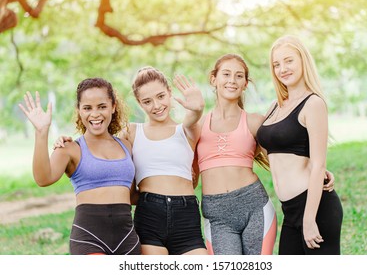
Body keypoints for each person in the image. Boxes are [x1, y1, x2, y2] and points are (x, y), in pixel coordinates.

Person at [54, 68, 208, 255]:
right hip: (150, 213)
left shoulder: (186, 130)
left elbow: (193, 119)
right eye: (147, 101)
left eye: (161, 96)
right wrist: (64, 141)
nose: (156, 105)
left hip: (186, 217)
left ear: (169, 92)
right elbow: (101, 142)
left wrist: (198, 108)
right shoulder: (132, 133)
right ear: (139, 103)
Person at [195, 53, 335, 255]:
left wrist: (318, 168)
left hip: (254, 206)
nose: (232, 81)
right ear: (213, 79)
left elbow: (280, 155)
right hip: (216, 213)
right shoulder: (197, 125)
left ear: (245, 84)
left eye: (239, 76)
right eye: (226, 74)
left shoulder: (255, 122)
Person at [18, 78, 141, 255]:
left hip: (127, 238)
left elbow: (132, 195)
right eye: (87, 108)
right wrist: (41, 133)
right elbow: (43, 178)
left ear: (113, 107)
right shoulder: (70, 149)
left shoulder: (126, 146)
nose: (95, 114)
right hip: (89, 238)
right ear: (79, 111)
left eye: (102, 106)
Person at [256, 35, 343, 254]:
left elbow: (318, 164)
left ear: (303, 60)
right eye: (276, 64)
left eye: (288, 61)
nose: (282, 68)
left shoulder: (313, 103)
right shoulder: (276, 106)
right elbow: (271, 150)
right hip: (290, 210)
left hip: (315, 208)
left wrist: (309, 219)